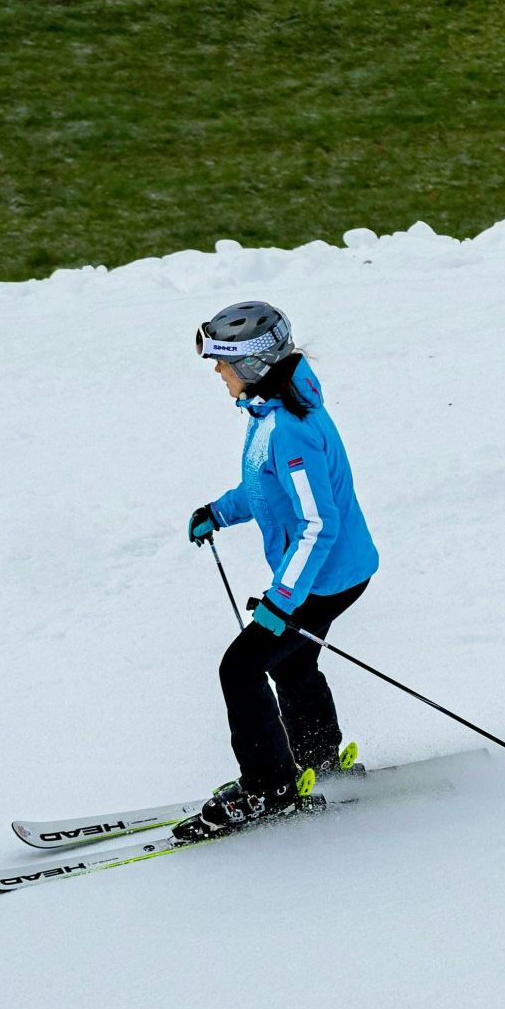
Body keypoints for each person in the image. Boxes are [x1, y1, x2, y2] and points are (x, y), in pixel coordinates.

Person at [181, 301, 380, 836]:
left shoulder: (288, 427)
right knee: (290, 663)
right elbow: (268, 490)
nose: (218, 373)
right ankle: (317, 759)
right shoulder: (272, 411)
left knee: (239, 668)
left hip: (325, 577)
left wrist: (282, 600)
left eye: (223, 363)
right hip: (330, 573)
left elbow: (318, 524)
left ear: (250, 365)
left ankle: (269, 788)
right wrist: (221, 511)